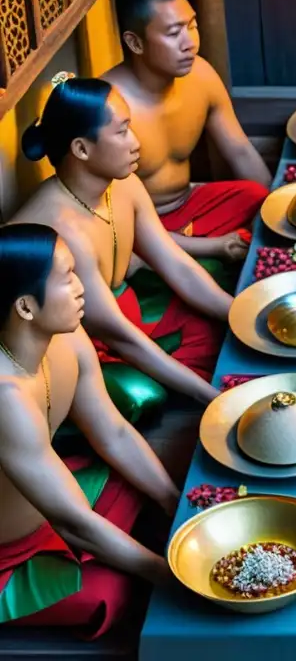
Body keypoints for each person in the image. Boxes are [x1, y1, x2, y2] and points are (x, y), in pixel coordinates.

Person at [13, 73, 228, 422]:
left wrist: (243, 315)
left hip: (123, 311)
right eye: (122, 131)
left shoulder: (122, 184)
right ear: (81, 148)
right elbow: (118, 334)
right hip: (73, 348)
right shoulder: (60, 229)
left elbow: (176, 264)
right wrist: (210, 395)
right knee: (143, 395)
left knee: (216, 319)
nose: (135, 141)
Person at [0, 223, 178, 639]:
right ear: (26, 307)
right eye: (67, 278)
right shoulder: (5, 396)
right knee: (111, 594)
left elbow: (112, 431)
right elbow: (75, 523)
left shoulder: (67, 335)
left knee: (155, 496)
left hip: (54, 506)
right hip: (11, 549)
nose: (83, 287)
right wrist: (173, 577)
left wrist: (173, 500)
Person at [101, 0, 270, 282]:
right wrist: (214, 247)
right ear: (135, 42)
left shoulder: (201, 75)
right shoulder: (109, 106)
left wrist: (275, 214)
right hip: (141, 236)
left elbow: (240, 151)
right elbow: (112, 221)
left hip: (191, 206)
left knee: (255, 196)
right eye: (173, 32)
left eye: (192, 26)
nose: (189, 43)